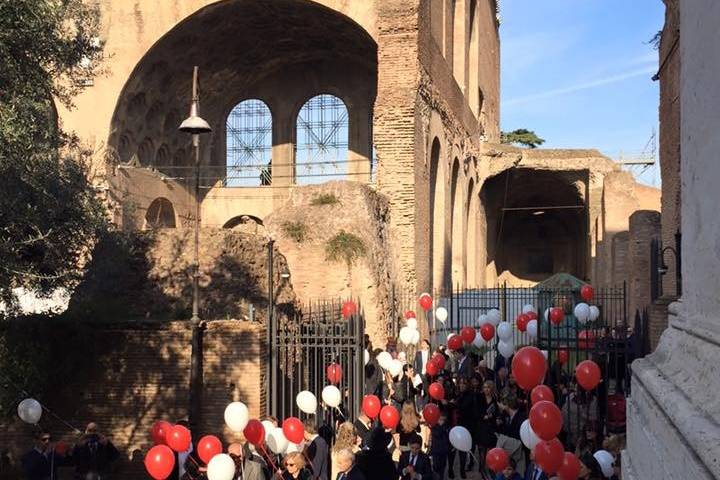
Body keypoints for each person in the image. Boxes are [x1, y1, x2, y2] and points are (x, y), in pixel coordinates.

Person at [429, 412, 451, 480]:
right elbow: (437, 434)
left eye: (443, 420)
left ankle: (441, 477)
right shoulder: (434, 426)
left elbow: (448, 438)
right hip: (436, 451)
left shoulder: (446, 426)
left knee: (443, 466)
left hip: (443, 451)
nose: (441, 421)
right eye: (440, 420)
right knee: (436, 467)